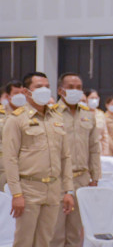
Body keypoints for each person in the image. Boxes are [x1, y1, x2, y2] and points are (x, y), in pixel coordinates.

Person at [2, 72, 74, 247]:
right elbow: (10, 159)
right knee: (24, 241)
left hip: (53, 189)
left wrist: (68, 191)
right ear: (27, 92)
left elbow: (65, 157)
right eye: (38, 87)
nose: (44, 90)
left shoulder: (56, 118)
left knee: (45, 240)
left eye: (47, 86)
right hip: (28, 189)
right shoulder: (17, 119)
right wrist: (16, 193)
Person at [51, 72, 101, 247]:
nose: (75, 91)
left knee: (75, 232)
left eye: (79, 88)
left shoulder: (88, 114)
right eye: (70, 87)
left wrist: (95, 177)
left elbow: (94, 147)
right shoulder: (51, 114)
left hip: (81, 179)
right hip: (56, 180)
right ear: (60, 90)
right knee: (55, 233)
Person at [85, 89, 110, 156]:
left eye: (96, 98)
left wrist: (105, 151)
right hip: (85, 147)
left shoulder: (100, 114)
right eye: (92, 98)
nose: (94, 100)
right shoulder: (82, 113)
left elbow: (105, 135)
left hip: (98, 148)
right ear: (86, 99)